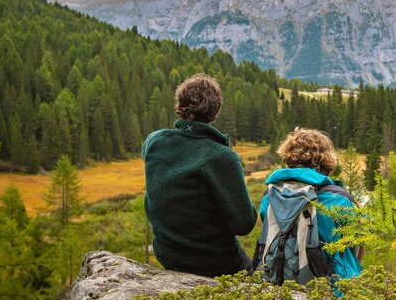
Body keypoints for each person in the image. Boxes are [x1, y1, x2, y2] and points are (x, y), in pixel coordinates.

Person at [143, 73, 257, 277]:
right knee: (257, 276)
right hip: (214, 263)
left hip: (168, 255)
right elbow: (244, 224)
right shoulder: (222, 157)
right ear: (214, 111)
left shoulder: (154, 142)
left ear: (180, 105)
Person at [258, 128, 362, 280]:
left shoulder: (270, 195)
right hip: (332, 290)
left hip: (277, 282)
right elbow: (358, 246)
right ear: (327, 160)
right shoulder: (341, 200)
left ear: (288, 157)